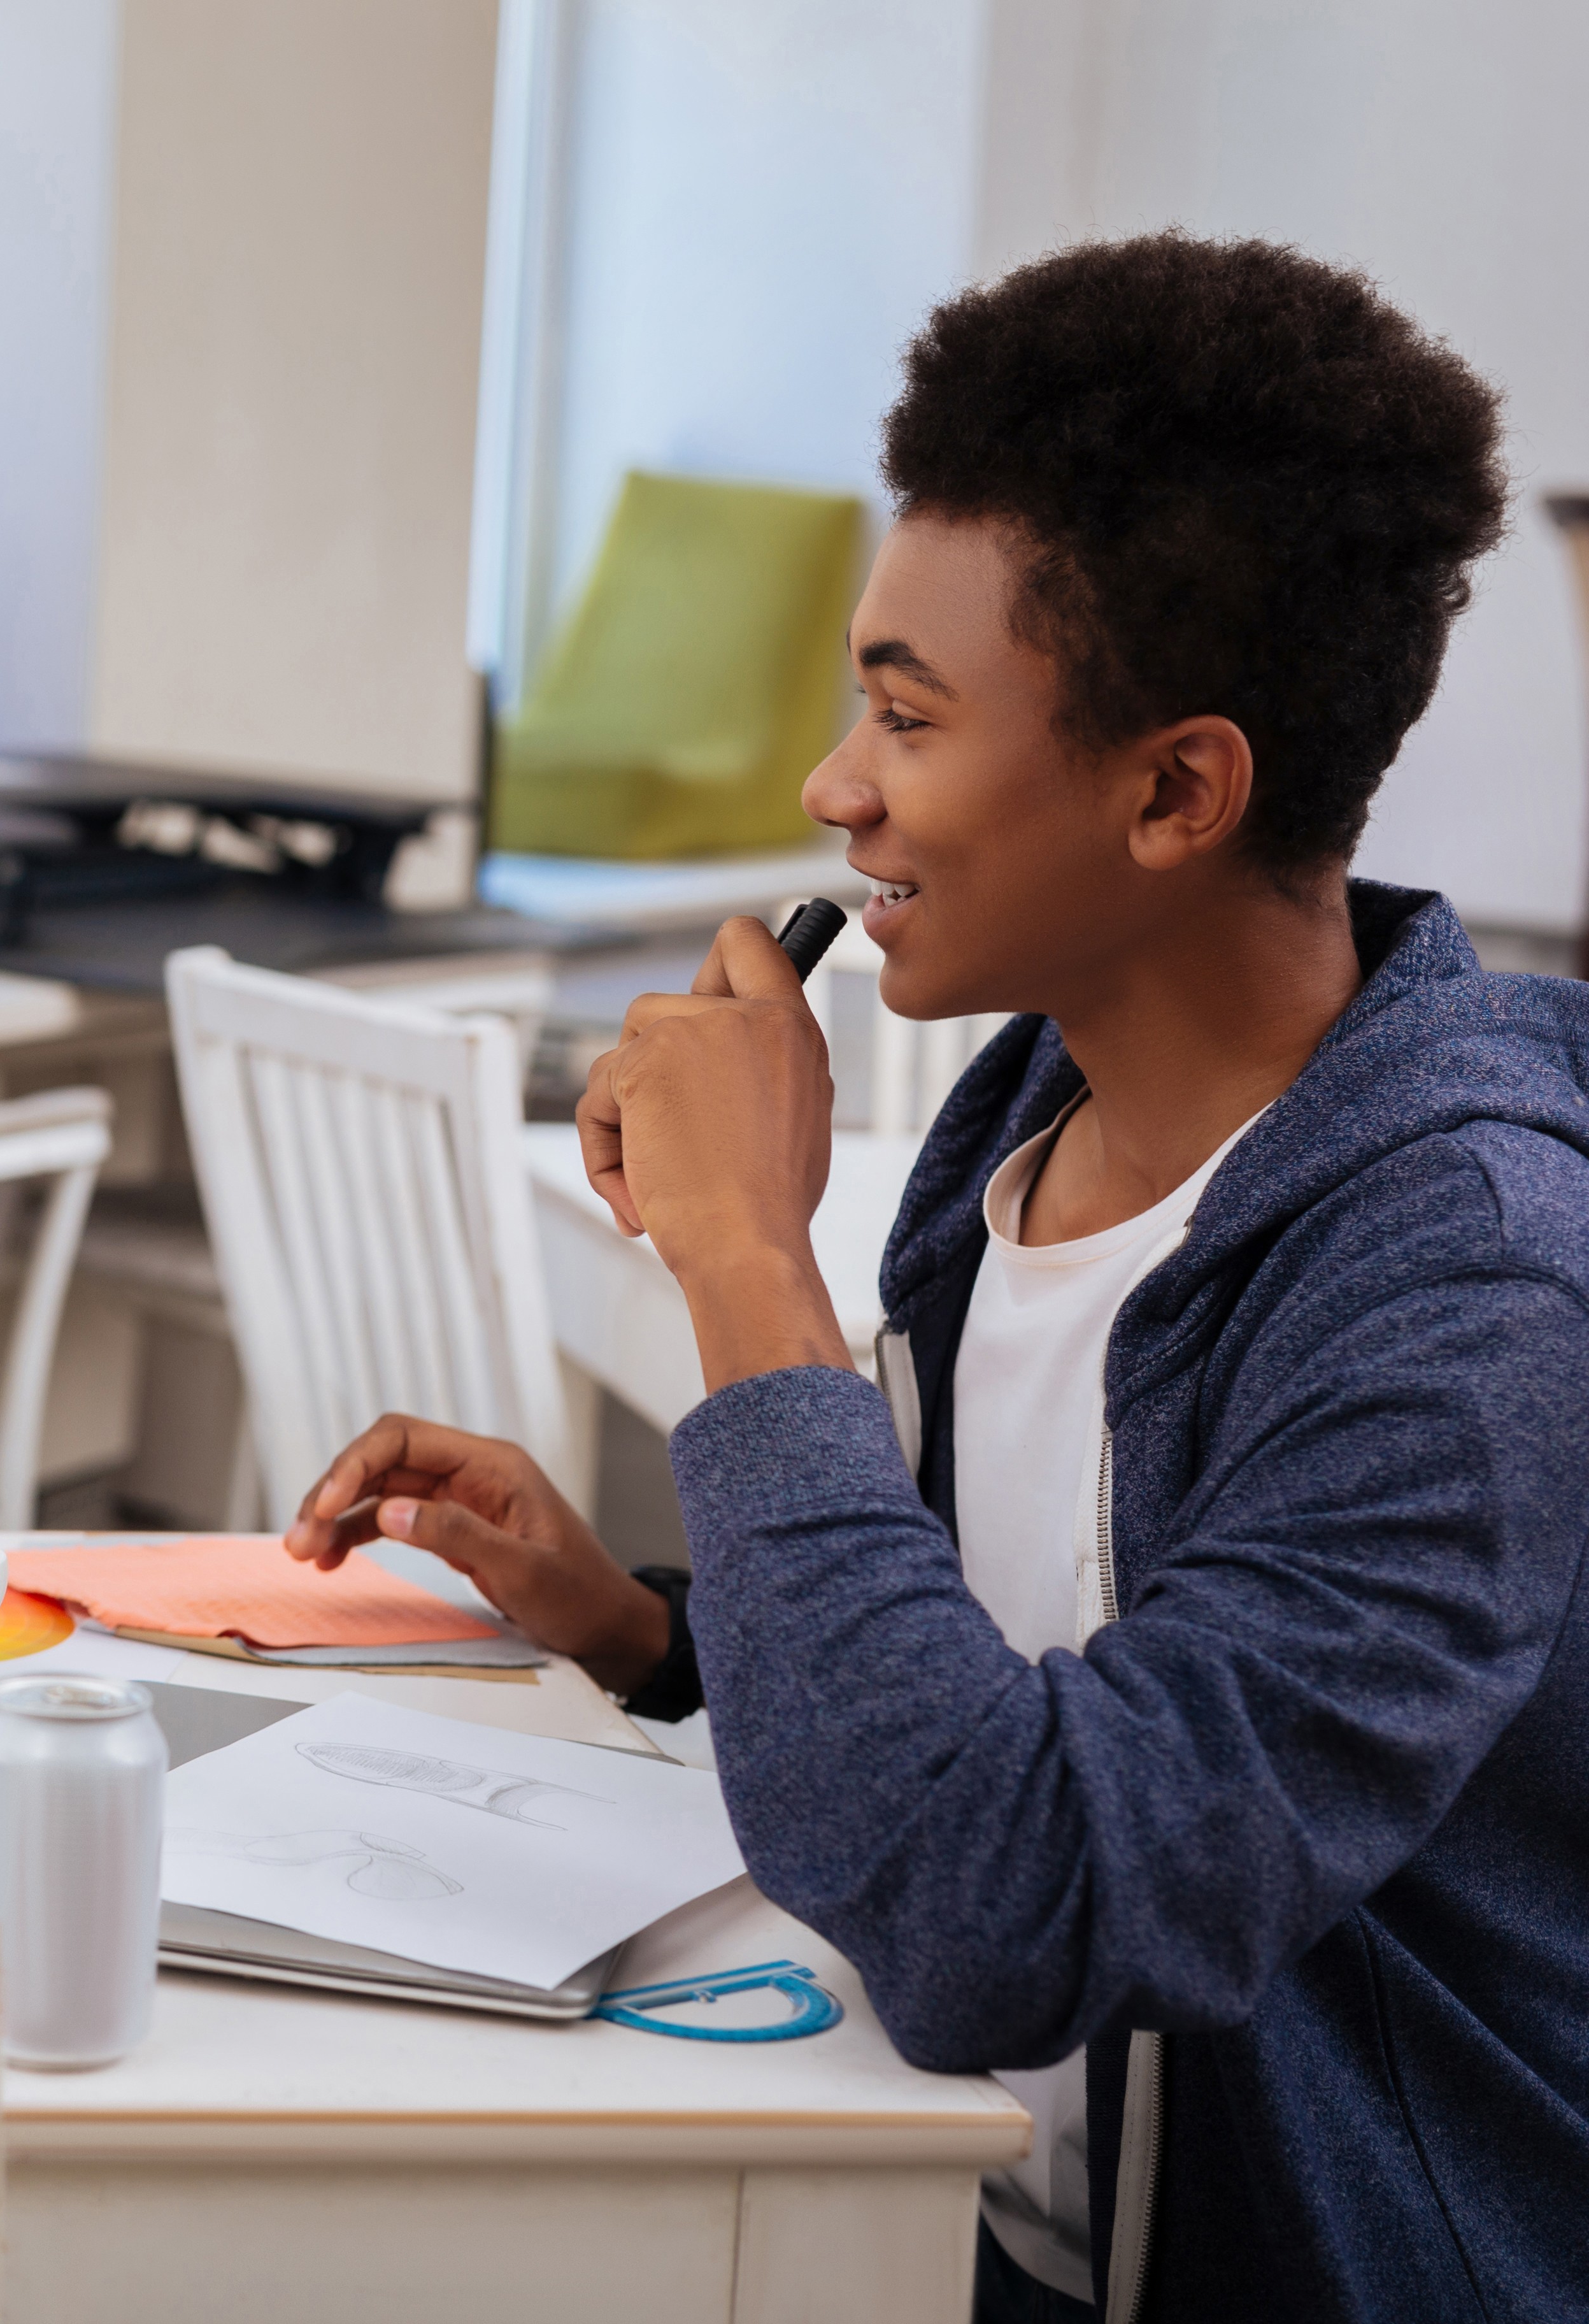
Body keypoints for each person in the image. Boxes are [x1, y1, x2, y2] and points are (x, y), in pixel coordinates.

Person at [287, 235, 1588, 2322]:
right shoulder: (1017, 1129)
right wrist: (645, 1634)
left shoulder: (1465, 1299)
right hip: (950, 2239)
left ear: (1175, 786)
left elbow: (1006, 1902)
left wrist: (744, 1268)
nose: (833, 786)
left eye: (905, 712)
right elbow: (986, 1709)